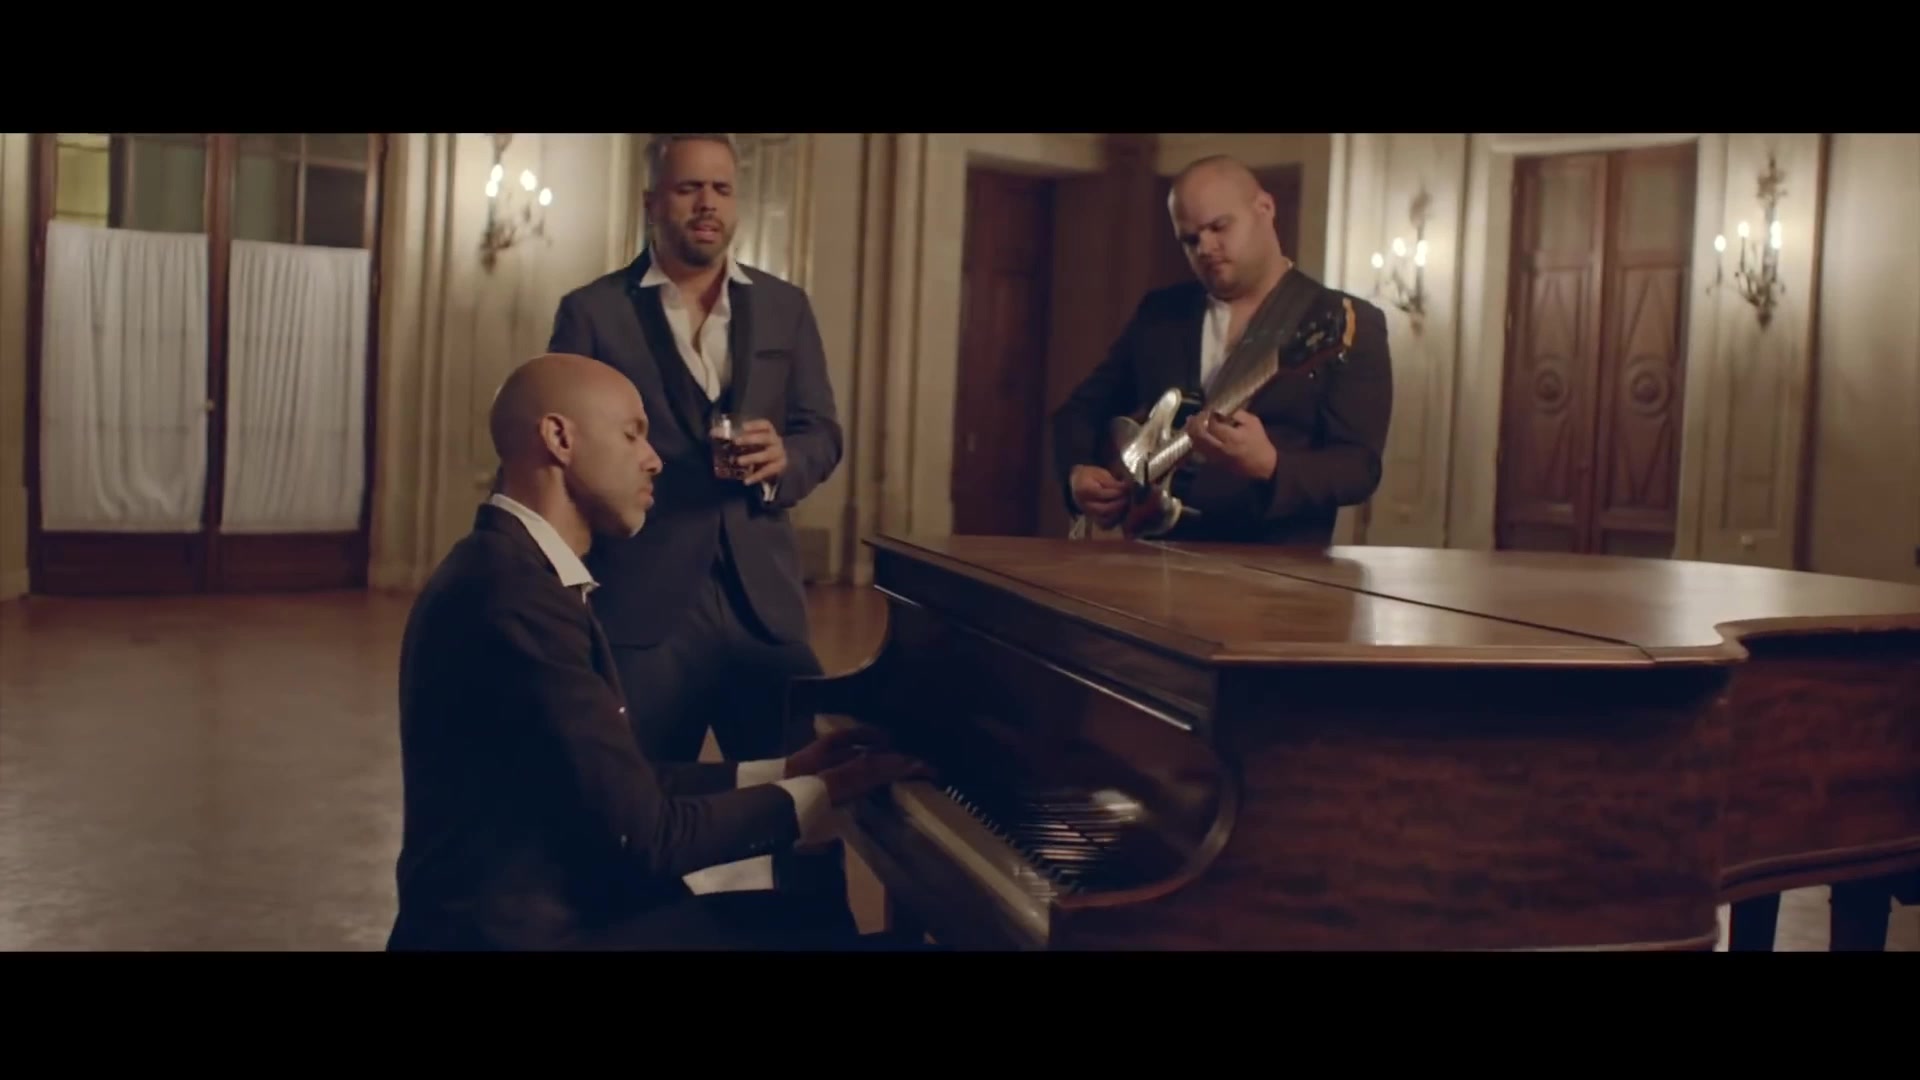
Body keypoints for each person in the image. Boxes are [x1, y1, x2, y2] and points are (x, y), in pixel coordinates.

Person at [386, 352, 929, 951]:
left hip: (555, 912)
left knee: (808, 917)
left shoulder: (512, 569)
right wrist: (833, 791)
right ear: (560, 439)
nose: (655, 459)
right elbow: (647, 837)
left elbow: (622, 788)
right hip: (528, 933)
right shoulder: (515, 598)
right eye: (632, 434)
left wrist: (787, 771)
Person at [547, 132, 844, 900]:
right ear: (653, 202)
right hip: (641, 607)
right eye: (688, 189)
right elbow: (566, 448)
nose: (707, 204)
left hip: (763, 606)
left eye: (721, 189)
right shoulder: (591, 312)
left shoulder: (785, 306)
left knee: (808, 805)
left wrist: (786, 461)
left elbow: (822, 432)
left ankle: (813, 934)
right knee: (634, 812)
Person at [1052, 154, 1394, 545]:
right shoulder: (1161, 314)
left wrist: (1272, 465)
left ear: (1265, 207)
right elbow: (1080, 412)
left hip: (1276, 566)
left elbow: (1359, 469)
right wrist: (1077, 475)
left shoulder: (1339, 320)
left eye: (1219, 227)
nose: (1205, 248)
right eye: (1190, 239)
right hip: (1148, 557)